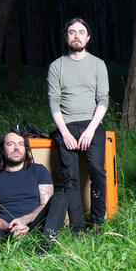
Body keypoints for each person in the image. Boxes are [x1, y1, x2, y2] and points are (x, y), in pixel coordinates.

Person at [47, 17, 109, 232]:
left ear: (88, 37)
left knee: (98, 172)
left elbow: (103, 99)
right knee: (70, 178)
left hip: (93, 124)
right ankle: (78, 228)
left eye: (81, 32)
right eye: (72, 32)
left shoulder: (98, 64)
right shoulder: (57, 66)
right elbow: (54, 101)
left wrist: (91, 129)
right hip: (67, 125)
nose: (76, 36)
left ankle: (99, 223)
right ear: (66, 37)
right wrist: (64, 133)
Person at [0, 129, 71, 254]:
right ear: (2, 149)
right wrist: (12, 228)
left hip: (36, 227)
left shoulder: (39, 171)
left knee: (60, 198)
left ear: (26, 149)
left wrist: (25, 220)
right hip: (7, 231)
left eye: (20, 144)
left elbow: (45, 204)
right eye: (10, 144)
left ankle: (44, 249)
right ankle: (4, 260)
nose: (16, 148)